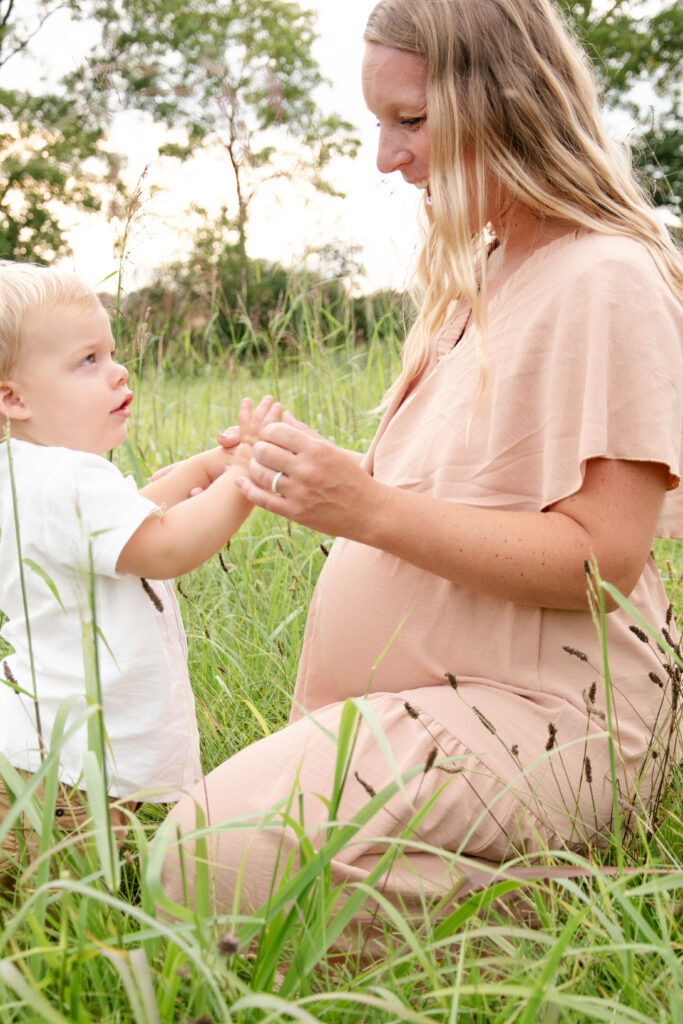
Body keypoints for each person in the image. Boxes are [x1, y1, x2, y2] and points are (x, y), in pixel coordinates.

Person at [161, 0, 683, 929]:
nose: (385, 157)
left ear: (512, 104)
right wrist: (302, 479)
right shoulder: (481, 276)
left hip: (543, 715)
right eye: (378, 124)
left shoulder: (604, 274)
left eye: (411, 120)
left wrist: (361, 507)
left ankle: (579, 914)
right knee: (189, 854)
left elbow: (603, 559)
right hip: (441, 708)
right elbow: (449, 507)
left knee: (206, 868)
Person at [0, 261, 280, 882]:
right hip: (61, 771)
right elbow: (163, 546)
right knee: (70, 896)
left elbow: (131, 519)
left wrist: (207, 466)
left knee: (70, 890)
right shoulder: (66, 480)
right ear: (13, 397)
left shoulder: (31, 474)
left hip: (40, 750)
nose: (118, 370)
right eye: (87, 361)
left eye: (112, 352)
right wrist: (243, 477)